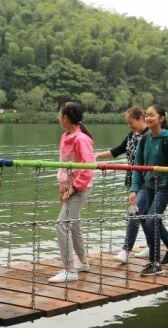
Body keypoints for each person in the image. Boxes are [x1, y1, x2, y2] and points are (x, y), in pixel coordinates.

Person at [130, 105, 168, 276]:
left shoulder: (167, 139)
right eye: (147, 115)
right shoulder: (145, 139)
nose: (148, 118)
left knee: (151, 221)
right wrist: (134, 189)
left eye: (152, 115)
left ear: (161, 118)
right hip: (149, 185)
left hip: (164, 187)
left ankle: (155, 263)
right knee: (148, 218)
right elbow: (137, 165)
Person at [96, 107, 150, 264]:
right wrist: (97, 156)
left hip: (146, 182)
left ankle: (126, 250)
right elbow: (117, 151)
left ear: (141, 118)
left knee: (134, 213)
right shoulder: (131, 136)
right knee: (143, 216)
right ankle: (151, 245)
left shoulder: (150, 136)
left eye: (131, 122)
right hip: (132, 181)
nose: (129, 125)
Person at [48, 102, 95, 283]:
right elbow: (64, 166)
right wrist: (63, 189)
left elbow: (88, 168)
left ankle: (69, 270)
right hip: (69, 188)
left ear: (66, 117)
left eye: (60, 114)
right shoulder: (66, 136)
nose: (58, 118)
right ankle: (82, 263)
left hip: (80, 187)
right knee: (73, 224)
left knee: (62, 224)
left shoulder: (81, 139)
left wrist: (73, 188)